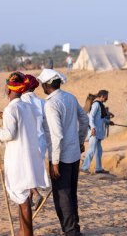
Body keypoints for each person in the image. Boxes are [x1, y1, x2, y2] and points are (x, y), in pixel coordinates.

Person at [0, 72, 49, 236]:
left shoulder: (11, 108)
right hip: (29, 156)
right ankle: (23, 231)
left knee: (22, 199)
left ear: (9, 89)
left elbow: (9, 134)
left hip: (17, 160)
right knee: (22, 198)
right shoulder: (27, 107)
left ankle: (27, 233)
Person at [37, 69, 89, 236]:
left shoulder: (51, 104)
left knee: (62, 196)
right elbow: (85, 119)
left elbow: (57, 135)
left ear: (46, 85)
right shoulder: (70, 97)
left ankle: (71, 231)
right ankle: (75, 229)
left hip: (62, 158)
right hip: (74, 154)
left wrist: (54, 162)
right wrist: (81, 141)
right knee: (71, 193)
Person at [22, 74, 50, 210]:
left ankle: (35, 194)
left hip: (28, 141)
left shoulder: (21, 100)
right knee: (32, 169)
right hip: (41, 140)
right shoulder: (42, 102)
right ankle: (30, 200)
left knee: (26, 169)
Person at [81, 90, 114, 174]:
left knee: (99, 151)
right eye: (106, 97)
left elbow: (100, 119)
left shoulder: (100, 105)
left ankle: (98, 168)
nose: (107, 98)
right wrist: (93, 128)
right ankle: (84, 168)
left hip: (98, 132)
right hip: (94, 131)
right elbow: (91, 117)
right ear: (102, 96)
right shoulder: (96, 104)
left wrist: (108, 121)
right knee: (91, 150)